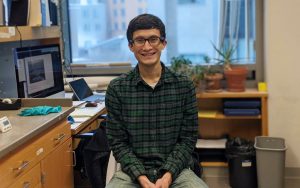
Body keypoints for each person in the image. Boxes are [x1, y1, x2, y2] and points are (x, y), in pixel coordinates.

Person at [105, 14, 208, 188]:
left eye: (153, 39)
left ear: (163, 43)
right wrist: (141, 177)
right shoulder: (117, 89)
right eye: (140, 40)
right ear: (131, 46)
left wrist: (168, 175)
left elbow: (188, 139)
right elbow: (118, 142)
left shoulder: (184, 86)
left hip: (176, 171)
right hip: (133, 173)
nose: (147, 47)